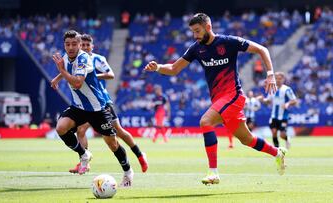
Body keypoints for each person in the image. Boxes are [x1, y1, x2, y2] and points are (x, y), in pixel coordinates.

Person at [144, 13, 287, 185]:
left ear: (208, 27)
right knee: (247, 139)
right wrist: (158, 67)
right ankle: (278, 153)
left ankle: (213, 173)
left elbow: (262, 49)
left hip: (233, 96)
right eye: (193, 32)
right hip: (219, 100)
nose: (195, 35)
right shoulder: (197, 48)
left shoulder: (228, 42)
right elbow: (174, 68)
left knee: (206, 121)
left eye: (197, 31)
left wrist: (270, 74)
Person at [50, 30, 133, 187]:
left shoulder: (84, 58)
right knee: (61, 128)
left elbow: (77, 82)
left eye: (75, 44)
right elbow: (67, 66)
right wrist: (57, 78)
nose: (71, 47)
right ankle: (84, 154)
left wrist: (61, 71)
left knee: (112, 144)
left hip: (97, 108)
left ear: (80, 45)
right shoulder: (66, 56)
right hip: (79, 107)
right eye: (67, 44)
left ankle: (128, 171)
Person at [65, 34, 148, 174]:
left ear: (92, 46)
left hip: (102, 101)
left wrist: (89, 75)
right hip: (86, 104)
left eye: (87, 45)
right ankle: (84, 161)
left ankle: (139, 154)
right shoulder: (76, 60)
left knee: (118, 132)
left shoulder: (97, 59)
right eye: (83, 45)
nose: (85, 47)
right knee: (81, 130)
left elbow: (111, 74)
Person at [258, 72, 297, 149]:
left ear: (283, 79)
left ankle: (287, 138)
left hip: (283, 116)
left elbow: (294, 100)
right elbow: (269, 101)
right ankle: (277, 150)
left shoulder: (287, 89)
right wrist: (263, 100)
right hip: (274, 115)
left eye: (280, 78)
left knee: (282, 134)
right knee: (274, 132)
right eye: (276, 78)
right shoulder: (272, 88)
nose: (278, 80)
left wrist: (288, 104)